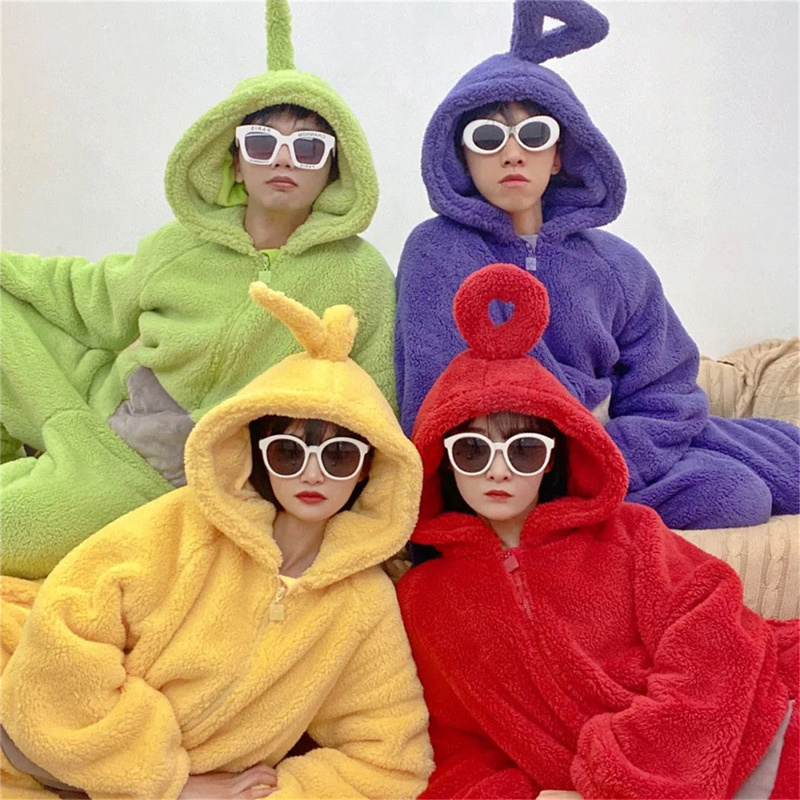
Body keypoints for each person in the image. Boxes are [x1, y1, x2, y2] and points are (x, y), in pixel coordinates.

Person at [1, 0, 397, 579]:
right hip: (103, 399)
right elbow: (87, 298)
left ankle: (44, 476)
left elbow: (374, 397)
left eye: (309, 148)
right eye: (261, 143)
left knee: (12, 532)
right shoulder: (179, 245)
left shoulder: (360, 274)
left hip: (158, 470)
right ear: (235, 163)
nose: (283, 160)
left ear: (335, 170)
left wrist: (369, 524)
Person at [0, 282, 432, 800]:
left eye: (338, 456)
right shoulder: (188, 525)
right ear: (256, 450)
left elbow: (390, 761)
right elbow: (65, 627)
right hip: (25, 734)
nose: (313, 473)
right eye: (289, 452)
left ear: (367, 468)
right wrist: (170, 780)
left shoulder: (363, 603)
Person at [397, 263, 799, 800]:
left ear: (553, 455)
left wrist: (627, 767)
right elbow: (455, 748)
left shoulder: (632, 534)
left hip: (747, 730)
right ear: (443, 462)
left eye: (523, 449)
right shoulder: (424, 600)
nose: (498, 470)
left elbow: (715, 632)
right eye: (472, 450)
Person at [394, 0, 799, 530]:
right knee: (736, 495)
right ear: (463, 156)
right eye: (487, 138)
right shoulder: (435, 251)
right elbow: (432, 393)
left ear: (559, 154)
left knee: (754, 477)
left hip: (608, 453)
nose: (512, 154)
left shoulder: (616, 264)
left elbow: (667, 389)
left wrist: (609, 462)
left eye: (534, 135)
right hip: (500, 462)